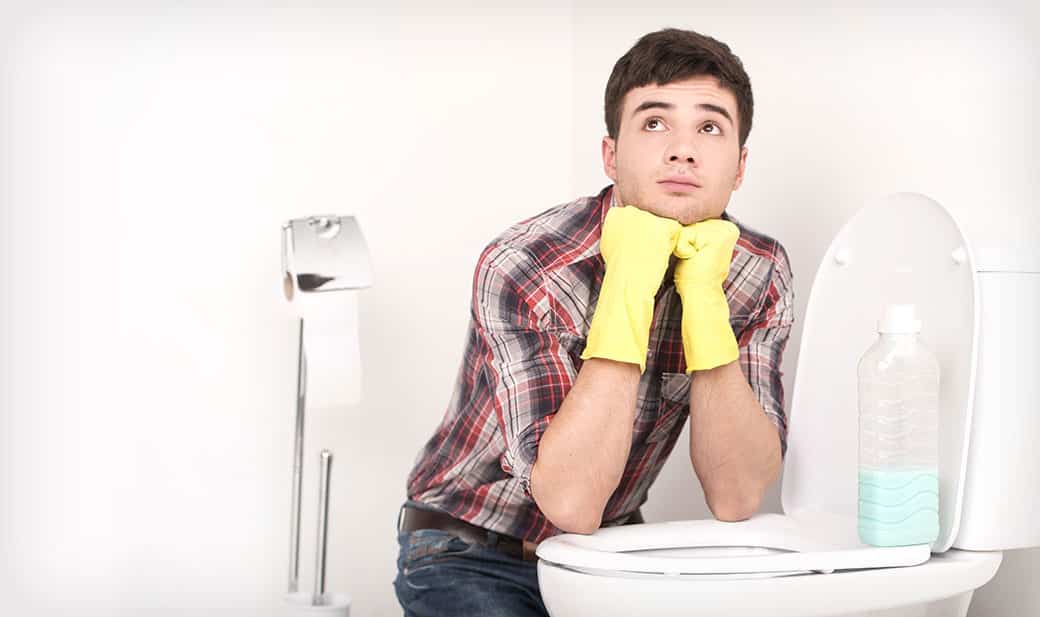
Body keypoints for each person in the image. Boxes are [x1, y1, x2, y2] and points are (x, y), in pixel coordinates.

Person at [393, 27, 794, 617]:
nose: (682, 149)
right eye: (654, 123)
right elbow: (572, 503)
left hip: (605, 547)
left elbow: (736, 497)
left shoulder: (758, 271)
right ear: (611, 155)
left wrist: (705, 300)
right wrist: (630, 281)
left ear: (739, 165)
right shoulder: (527, 262)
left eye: (709, 127)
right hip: (468, 546)